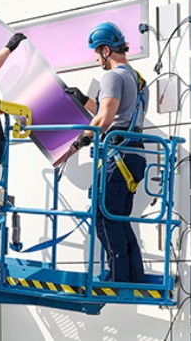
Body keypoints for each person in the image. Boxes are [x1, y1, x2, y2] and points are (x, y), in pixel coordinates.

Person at [66, 21, 148, 283]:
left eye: (96, 52)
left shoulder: (112, 76)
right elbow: (114, 112)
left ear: (104, 50)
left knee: (103, 218)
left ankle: (118, 277)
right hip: (133, 154)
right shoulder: (137, 78)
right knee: (119, 218)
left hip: (118, 154)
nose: (96, 58)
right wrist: (82, 99)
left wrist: (82, 139)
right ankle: (134, 274)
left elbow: (106, 118)